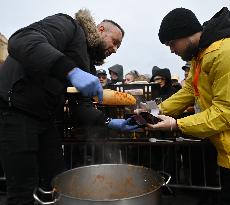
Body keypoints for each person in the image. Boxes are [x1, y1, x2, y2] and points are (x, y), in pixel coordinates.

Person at [0, 9, 137, 205]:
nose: (115, 49)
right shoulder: (69, 26)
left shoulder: (87, 64)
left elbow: (81, 107)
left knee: (59, 182)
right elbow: (21, 40)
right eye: (115, 42)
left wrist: (110, 122)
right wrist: (70, 71)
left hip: (45, 120)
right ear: (100, 30)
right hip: (15, 112)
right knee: (23, 191)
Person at [148, 7, 230, 205]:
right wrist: (156, 112)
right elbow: (189, 91)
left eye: (172, 43)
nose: (172, 50)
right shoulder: (201, 55)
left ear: (185, 33)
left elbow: (226, 113)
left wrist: (176, 124)